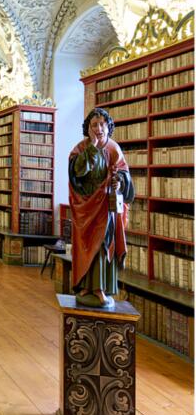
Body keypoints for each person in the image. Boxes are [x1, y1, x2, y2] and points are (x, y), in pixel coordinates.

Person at [68, 108, 135, 308]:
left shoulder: (114, 149)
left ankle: (100, 288)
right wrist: (93, 148)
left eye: (102, 125)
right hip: (86, 208)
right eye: (94, 125)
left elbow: (124, 175)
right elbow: (77, 172)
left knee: (103, 246)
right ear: (88, 128)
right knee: (86, 244)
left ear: (108, 127)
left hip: (106, 208)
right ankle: (86, 286)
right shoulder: (81, 148)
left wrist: (119, 182)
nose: (98, 129)